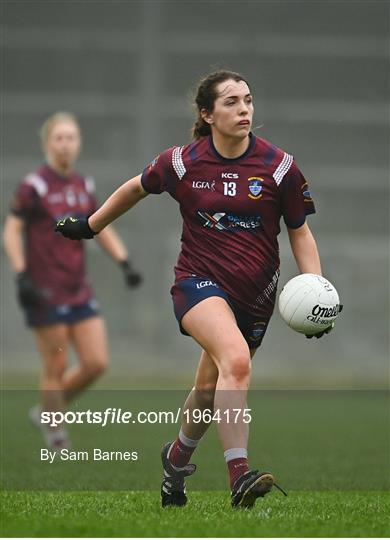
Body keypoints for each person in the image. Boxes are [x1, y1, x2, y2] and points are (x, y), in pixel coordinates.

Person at [55, 71, 341, 508]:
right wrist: (91, 226)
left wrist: (317, 291)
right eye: (231, 102)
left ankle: (175, 459)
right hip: (197, 284)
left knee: (210, 391)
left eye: (248, 100)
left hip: (256, 296)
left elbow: (299, 232)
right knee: (236, 360)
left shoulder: (279, 167)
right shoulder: (183, 163)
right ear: (207, 114)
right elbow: (136, 187)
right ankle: (239, 474)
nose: (244, 109)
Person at [3, 111, 142, 450]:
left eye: (71, 138)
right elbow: (12, 228)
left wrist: (124, 262)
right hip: (44, 288)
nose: (65, 145)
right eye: (59, 138)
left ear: (78, 143)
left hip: (78, 287)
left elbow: (98, 225)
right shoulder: (34, 186)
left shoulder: (83, 185)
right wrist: (21, 273)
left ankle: (47, 410)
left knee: (96, 363)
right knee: (57, 362)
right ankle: (56, 437)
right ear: (48, 143)